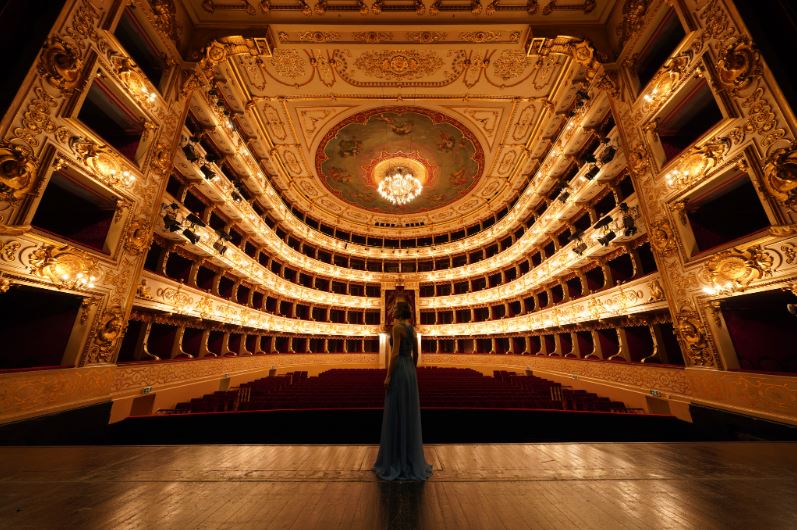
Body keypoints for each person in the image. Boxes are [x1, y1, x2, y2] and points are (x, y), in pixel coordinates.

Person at [373, 301, 433, 481]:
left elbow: (394, 353)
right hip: (410, 370)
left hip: (399, 369)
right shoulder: (412, 329)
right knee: (409, 412)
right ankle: (410, 458)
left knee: (396, 411)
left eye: (393, 310)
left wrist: (389, 375)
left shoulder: (397, 328)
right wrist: (411, 369)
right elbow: (416, 353)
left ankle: (394, 459)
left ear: (397, 312)